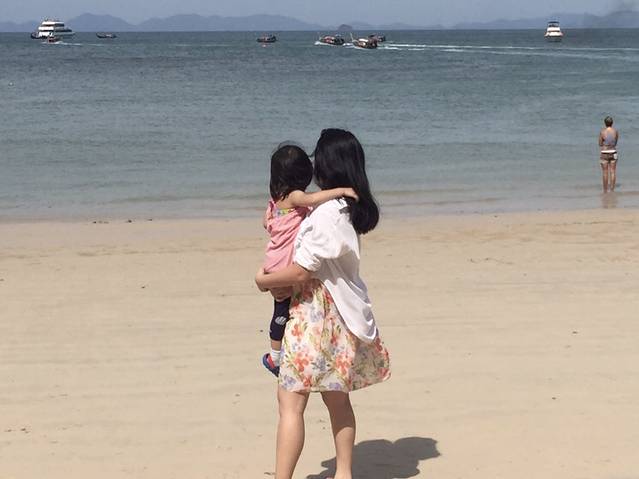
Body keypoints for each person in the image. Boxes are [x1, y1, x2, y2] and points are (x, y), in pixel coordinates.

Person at [255, 129, 391, 479]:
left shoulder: (327, 213)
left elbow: (303, 272)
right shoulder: (344, 207)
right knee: (337, 399)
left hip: (314, 315)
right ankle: (344, 473)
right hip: (338, 317)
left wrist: (263, 281)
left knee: (291, 402)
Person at [261, 143, 358, 376]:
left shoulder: (275, 200)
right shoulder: (295, 196)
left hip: (272, 260)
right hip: (286, 263)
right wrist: (341, 190)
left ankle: (275, 355)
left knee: (280, 310)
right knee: (287, 310)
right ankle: (278, 359)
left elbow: (267, 223)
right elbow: (313, 198)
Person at [598, 116, 619, 193]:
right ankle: (612, 190)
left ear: (605, 123)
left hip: (604, 153)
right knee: (613, 171)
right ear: (612, 123)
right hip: (613, 152)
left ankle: (605, 190)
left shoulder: (602, 132)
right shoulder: (615, 131)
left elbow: (600, 144)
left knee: (605, 172)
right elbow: (615, 142)